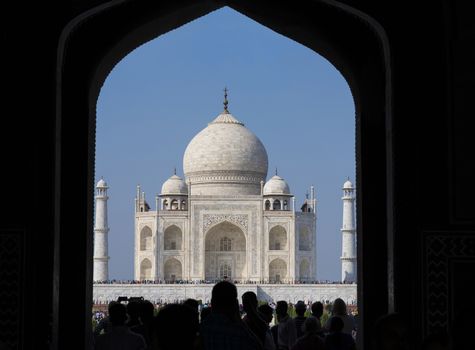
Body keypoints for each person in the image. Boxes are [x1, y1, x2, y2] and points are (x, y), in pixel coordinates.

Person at [200, 281, 262, 350]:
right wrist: (240, 320)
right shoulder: (239, 332)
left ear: (212, 302)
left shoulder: (203, 328)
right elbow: (257, 346)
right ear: (235, 304)